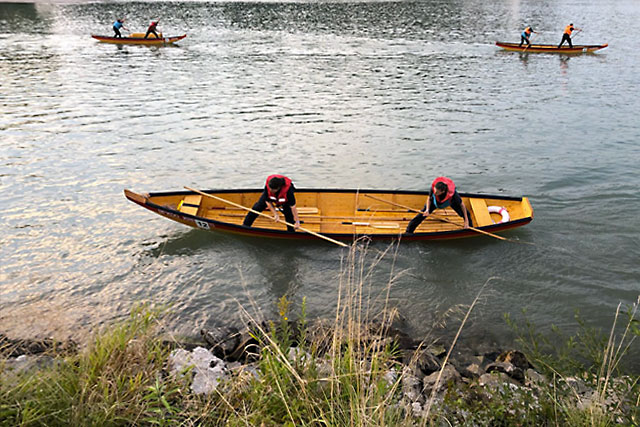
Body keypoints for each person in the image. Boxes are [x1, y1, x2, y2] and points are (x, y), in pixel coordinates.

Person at [405, 176, 472, 234]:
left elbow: (462, 205)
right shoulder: (434, 188)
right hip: (435, 202)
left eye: (437, 192)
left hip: (450, 201)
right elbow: (429, 198)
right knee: (421, 215)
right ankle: (409, 231)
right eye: (434, 191)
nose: (435, 192)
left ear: (443, 191)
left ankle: (470, 228)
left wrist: (466, 221)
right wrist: (427, 210)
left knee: (467, 214)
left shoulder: (453, 195)